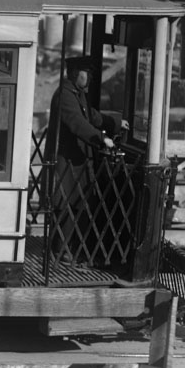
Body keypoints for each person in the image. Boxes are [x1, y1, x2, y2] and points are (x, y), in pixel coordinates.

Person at [47, 56, 125, 263]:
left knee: (77, 202)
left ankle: (70, 248)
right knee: (65, 202)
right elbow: (78, 124)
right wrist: (102, 139)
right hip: (65, 161)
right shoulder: (65, 96)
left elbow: (91, 116)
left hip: (76, 160)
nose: (89, 77)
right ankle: (60, 250)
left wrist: (117, 123)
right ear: (75, 74)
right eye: (86, 73)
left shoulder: (76, 94)